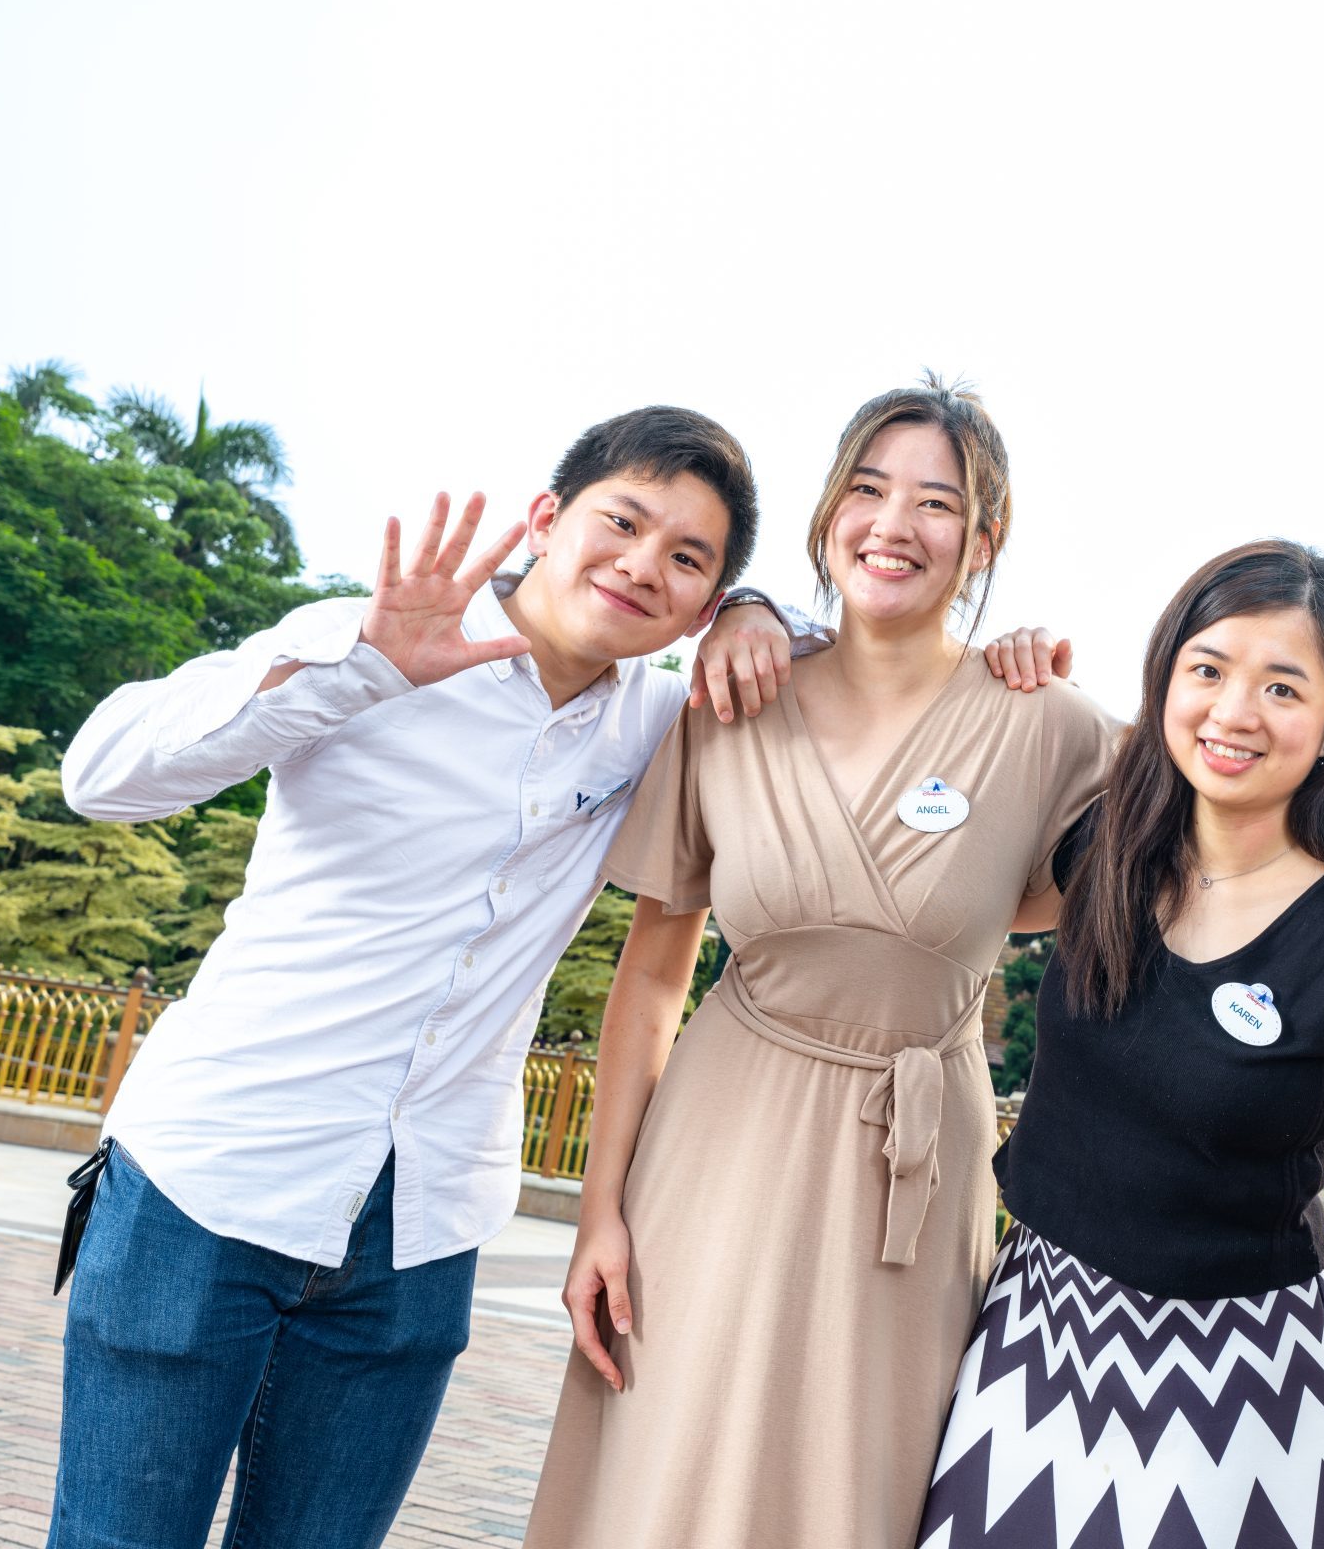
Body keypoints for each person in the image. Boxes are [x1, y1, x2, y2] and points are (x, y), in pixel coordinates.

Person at [523, 381, 1324, 1549]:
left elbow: (1227, 801)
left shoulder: (1045, 723)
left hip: (913, 1166)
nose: (893, 523)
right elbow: (652, 979)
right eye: (866, 489)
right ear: (828, 512)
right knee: (668, 1453)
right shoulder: (732, 691)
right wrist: (600, 1208)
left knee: (863, 1480)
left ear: (984, 539)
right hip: (719, 1140)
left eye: (936, 503)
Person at [44, 407, 817, 1549]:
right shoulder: (366, 642)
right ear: (547, 519)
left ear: (700, 605)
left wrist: (764, 614)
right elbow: (101, 776)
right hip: (209, 1182)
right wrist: (356, 667)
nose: (642, 564)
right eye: (623, 521)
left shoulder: (659, 727)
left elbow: (849, 660)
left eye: (690, 560)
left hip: (419, 1231)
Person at [917, 540, 1324, 1549]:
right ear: (1167, 679)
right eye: (1209, 669)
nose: (1233, 711)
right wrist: (989, 656)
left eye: (1282, 687)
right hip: (1037, 1338)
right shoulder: (1104, 846)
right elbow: (934, 855)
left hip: (1235, 1382)